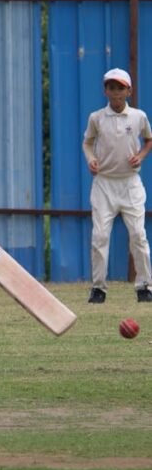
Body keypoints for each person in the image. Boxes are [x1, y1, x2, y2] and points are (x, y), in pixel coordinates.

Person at [83, 67, 152, 304]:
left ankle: (144, 286)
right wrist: (91, 159)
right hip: (104, 185)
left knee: (138, 235)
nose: (116, 92)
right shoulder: (96, 118)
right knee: (100, 236)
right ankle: (98, 288)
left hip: (130, 184)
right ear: (105, 91)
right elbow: (88, 143)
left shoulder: (139, 117)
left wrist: (141, 156)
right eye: (111, 87)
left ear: (129, 90)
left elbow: (149, 140)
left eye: (120, 88)